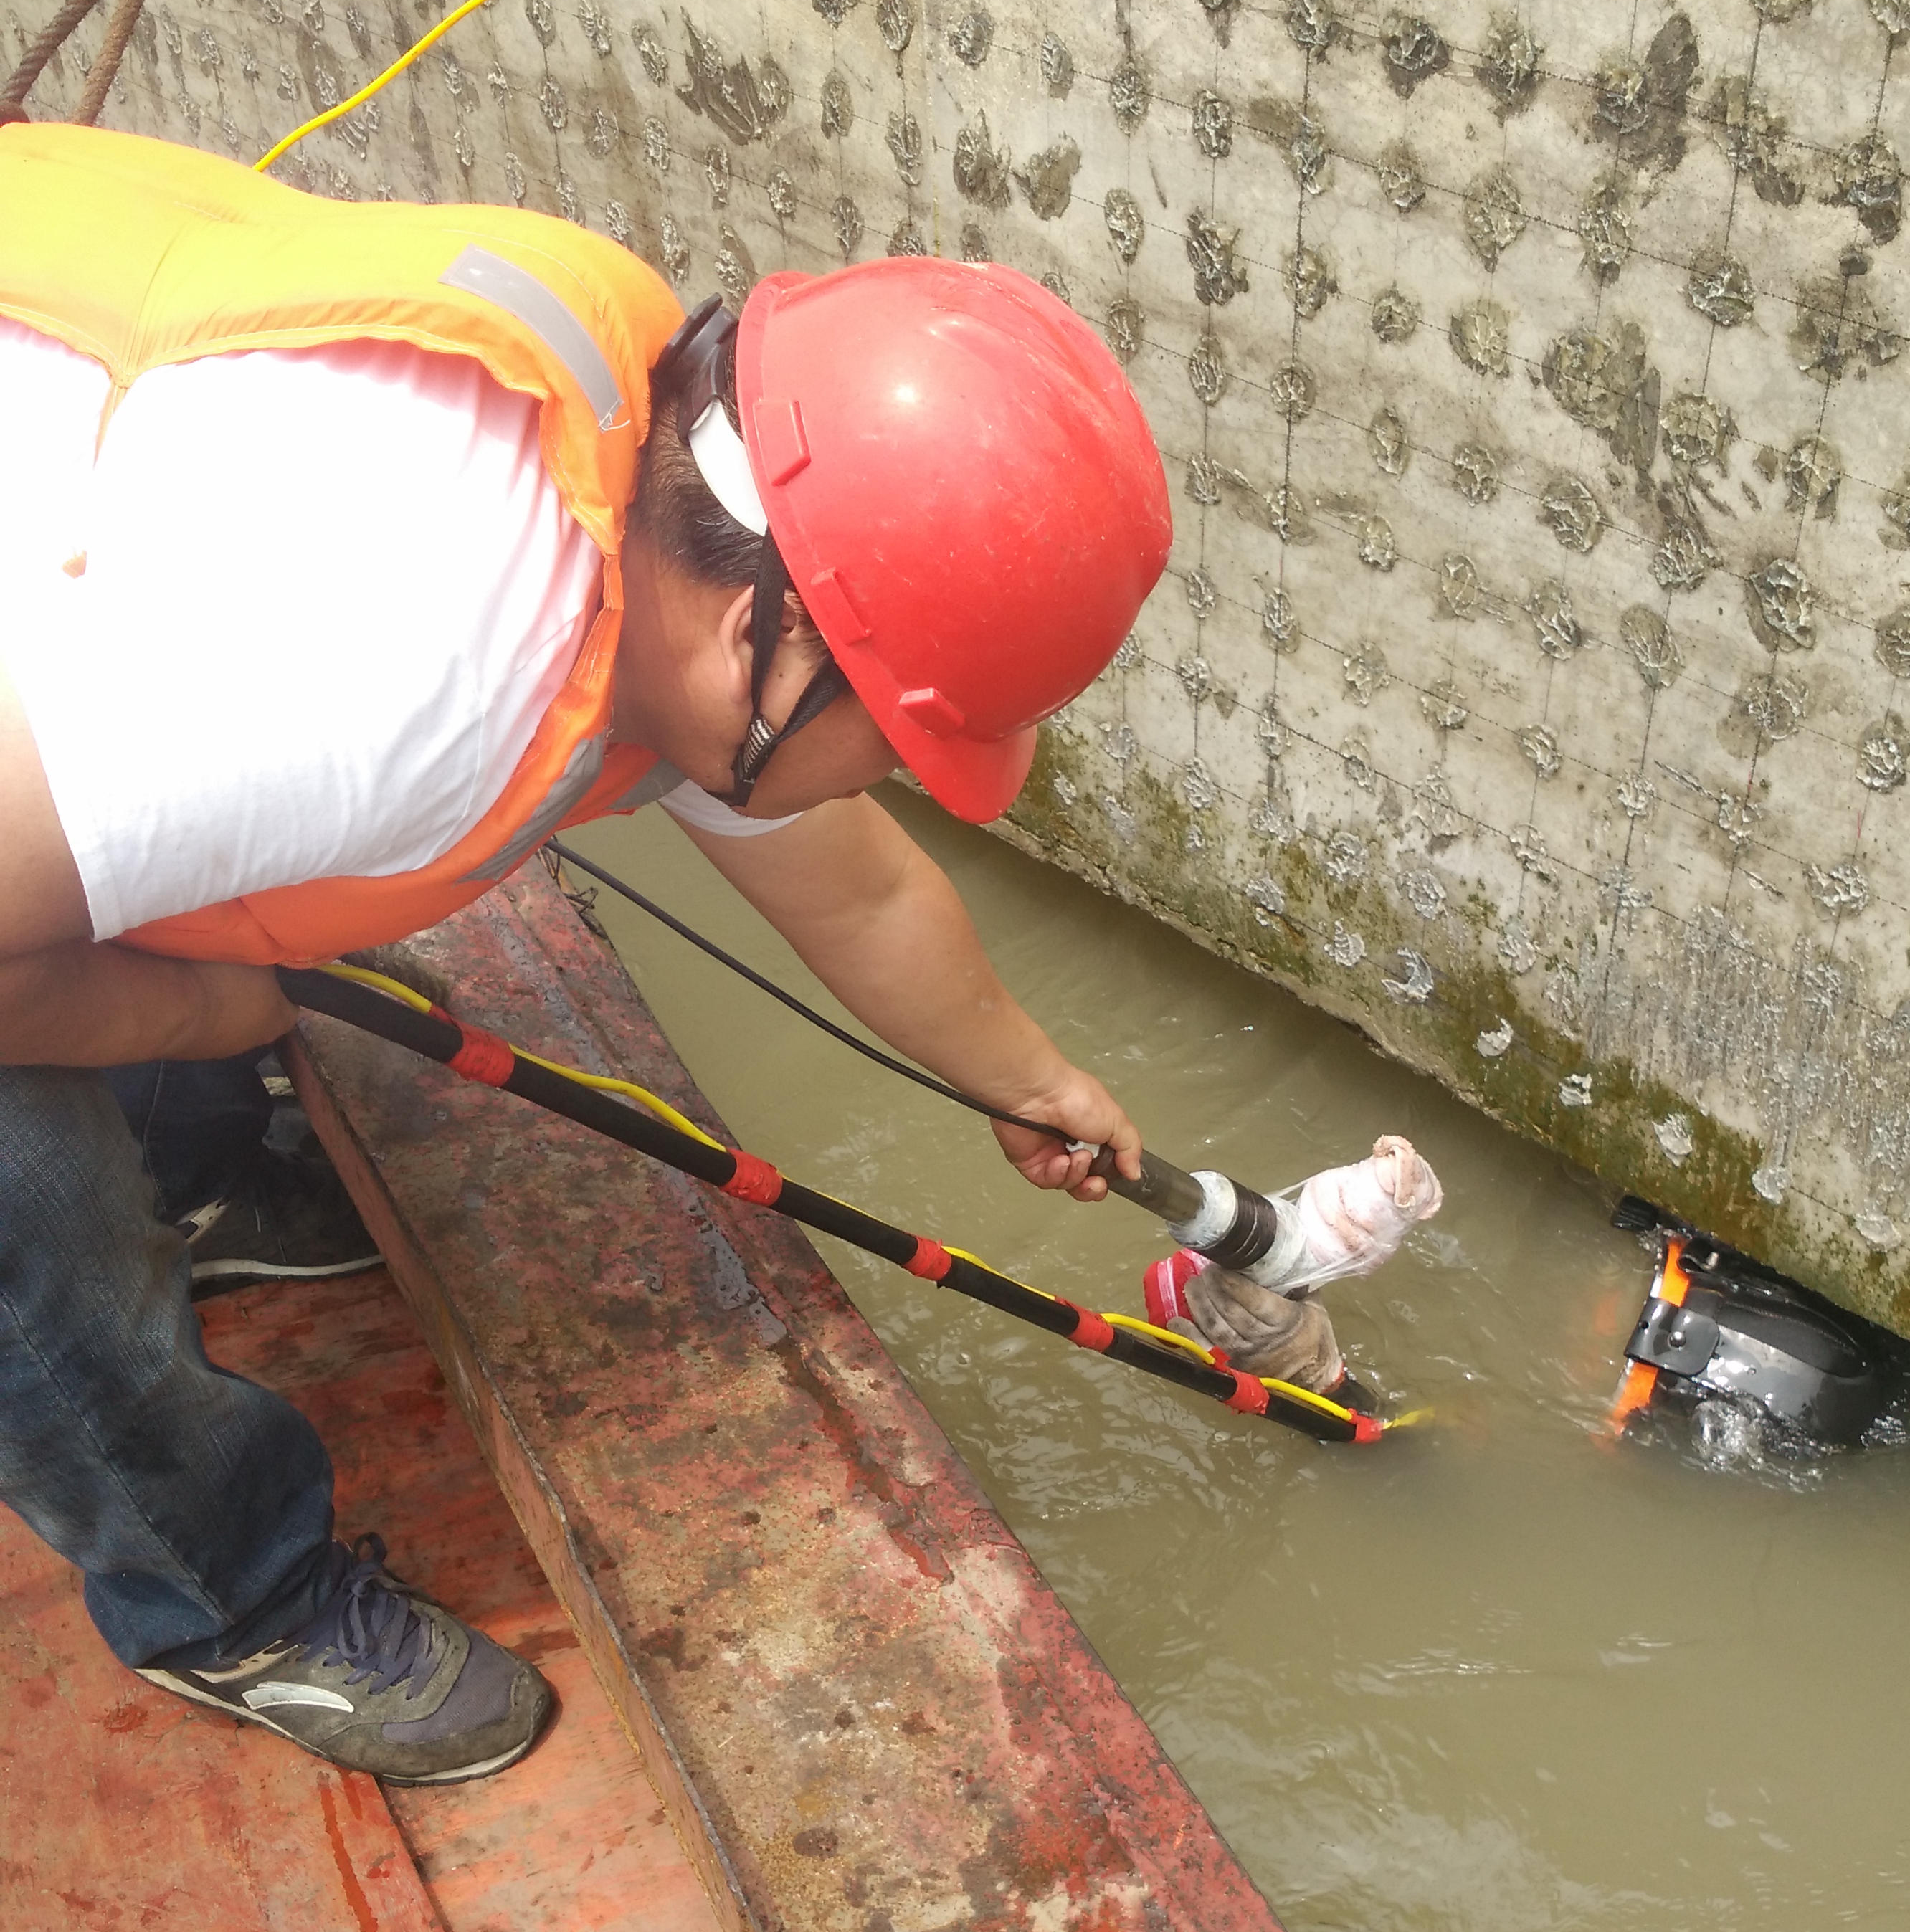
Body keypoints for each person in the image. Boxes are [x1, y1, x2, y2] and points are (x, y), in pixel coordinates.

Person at [0, 118, 1172, 1786]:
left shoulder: (662, 484)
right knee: (26, 1174)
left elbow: (853, 886)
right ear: (765, 630)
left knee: (174, 909)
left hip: (65, 591)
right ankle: (220, 1599)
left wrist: (1030, 1078)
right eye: (905, 740)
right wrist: (195, 1001)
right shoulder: (399, 674)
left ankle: (204, 1176)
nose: (909, 779)